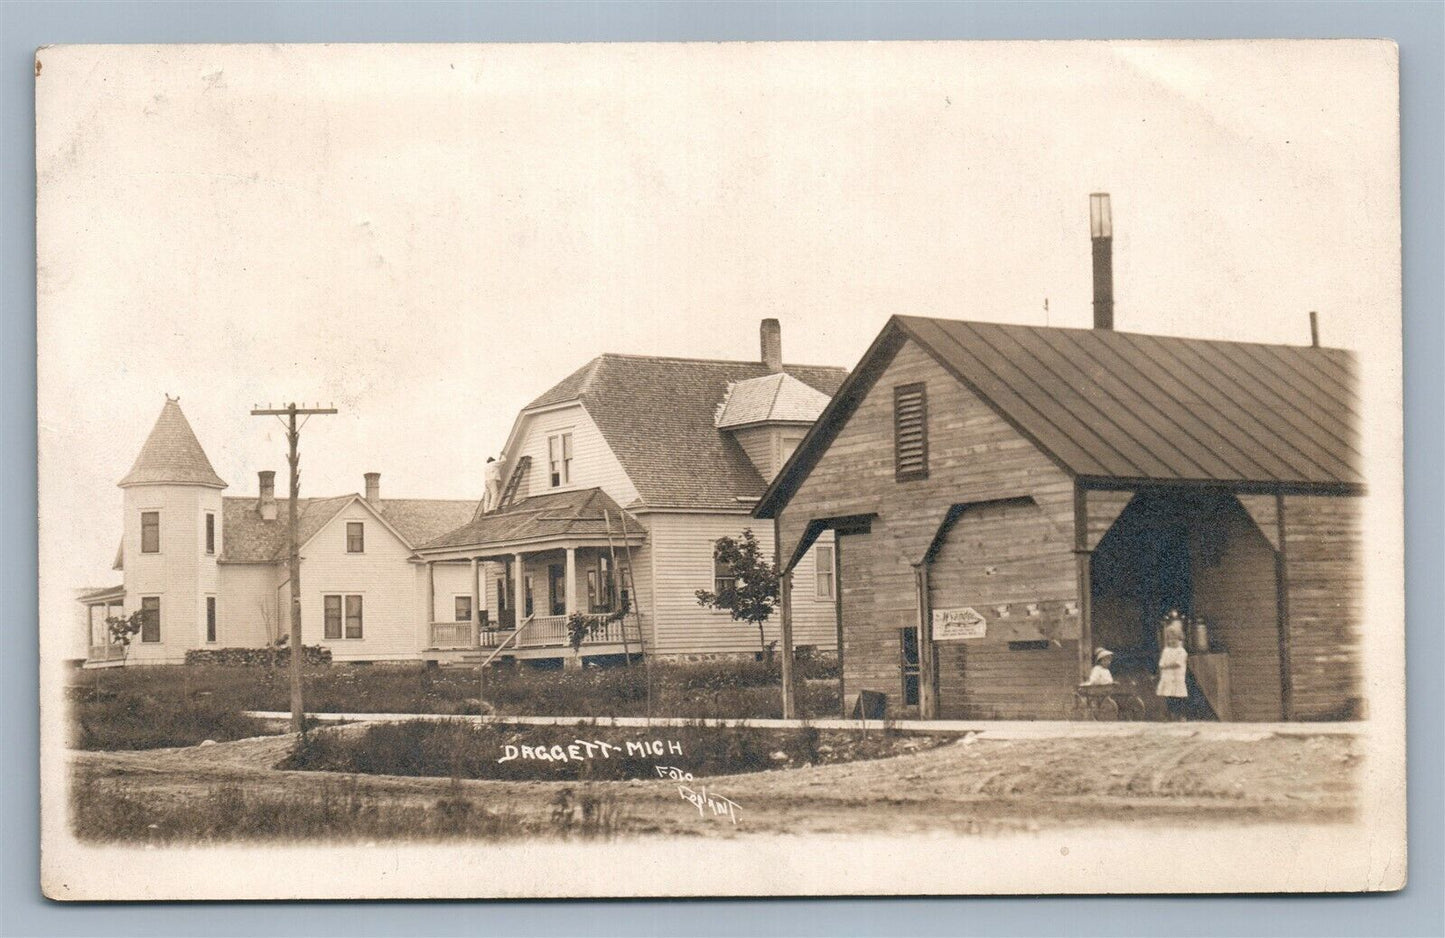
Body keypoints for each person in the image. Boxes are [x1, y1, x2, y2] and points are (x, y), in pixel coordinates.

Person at [1157, 619, 1189, 720]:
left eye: (1174, 638)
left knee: (1178, 698)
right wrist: (1165, 665)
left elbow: (1177, 663)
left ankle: (1180, 717)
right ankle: (1170, 716)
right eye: (1169, 639)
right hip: (1168, 678)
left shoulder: (1181, 651)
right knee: (1169, 697)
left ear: (1180, 639)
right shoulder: (1166, 651)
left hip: (1177, 678)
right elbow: (1161, 663)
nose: (1172, 641)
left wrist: (1167, 665)